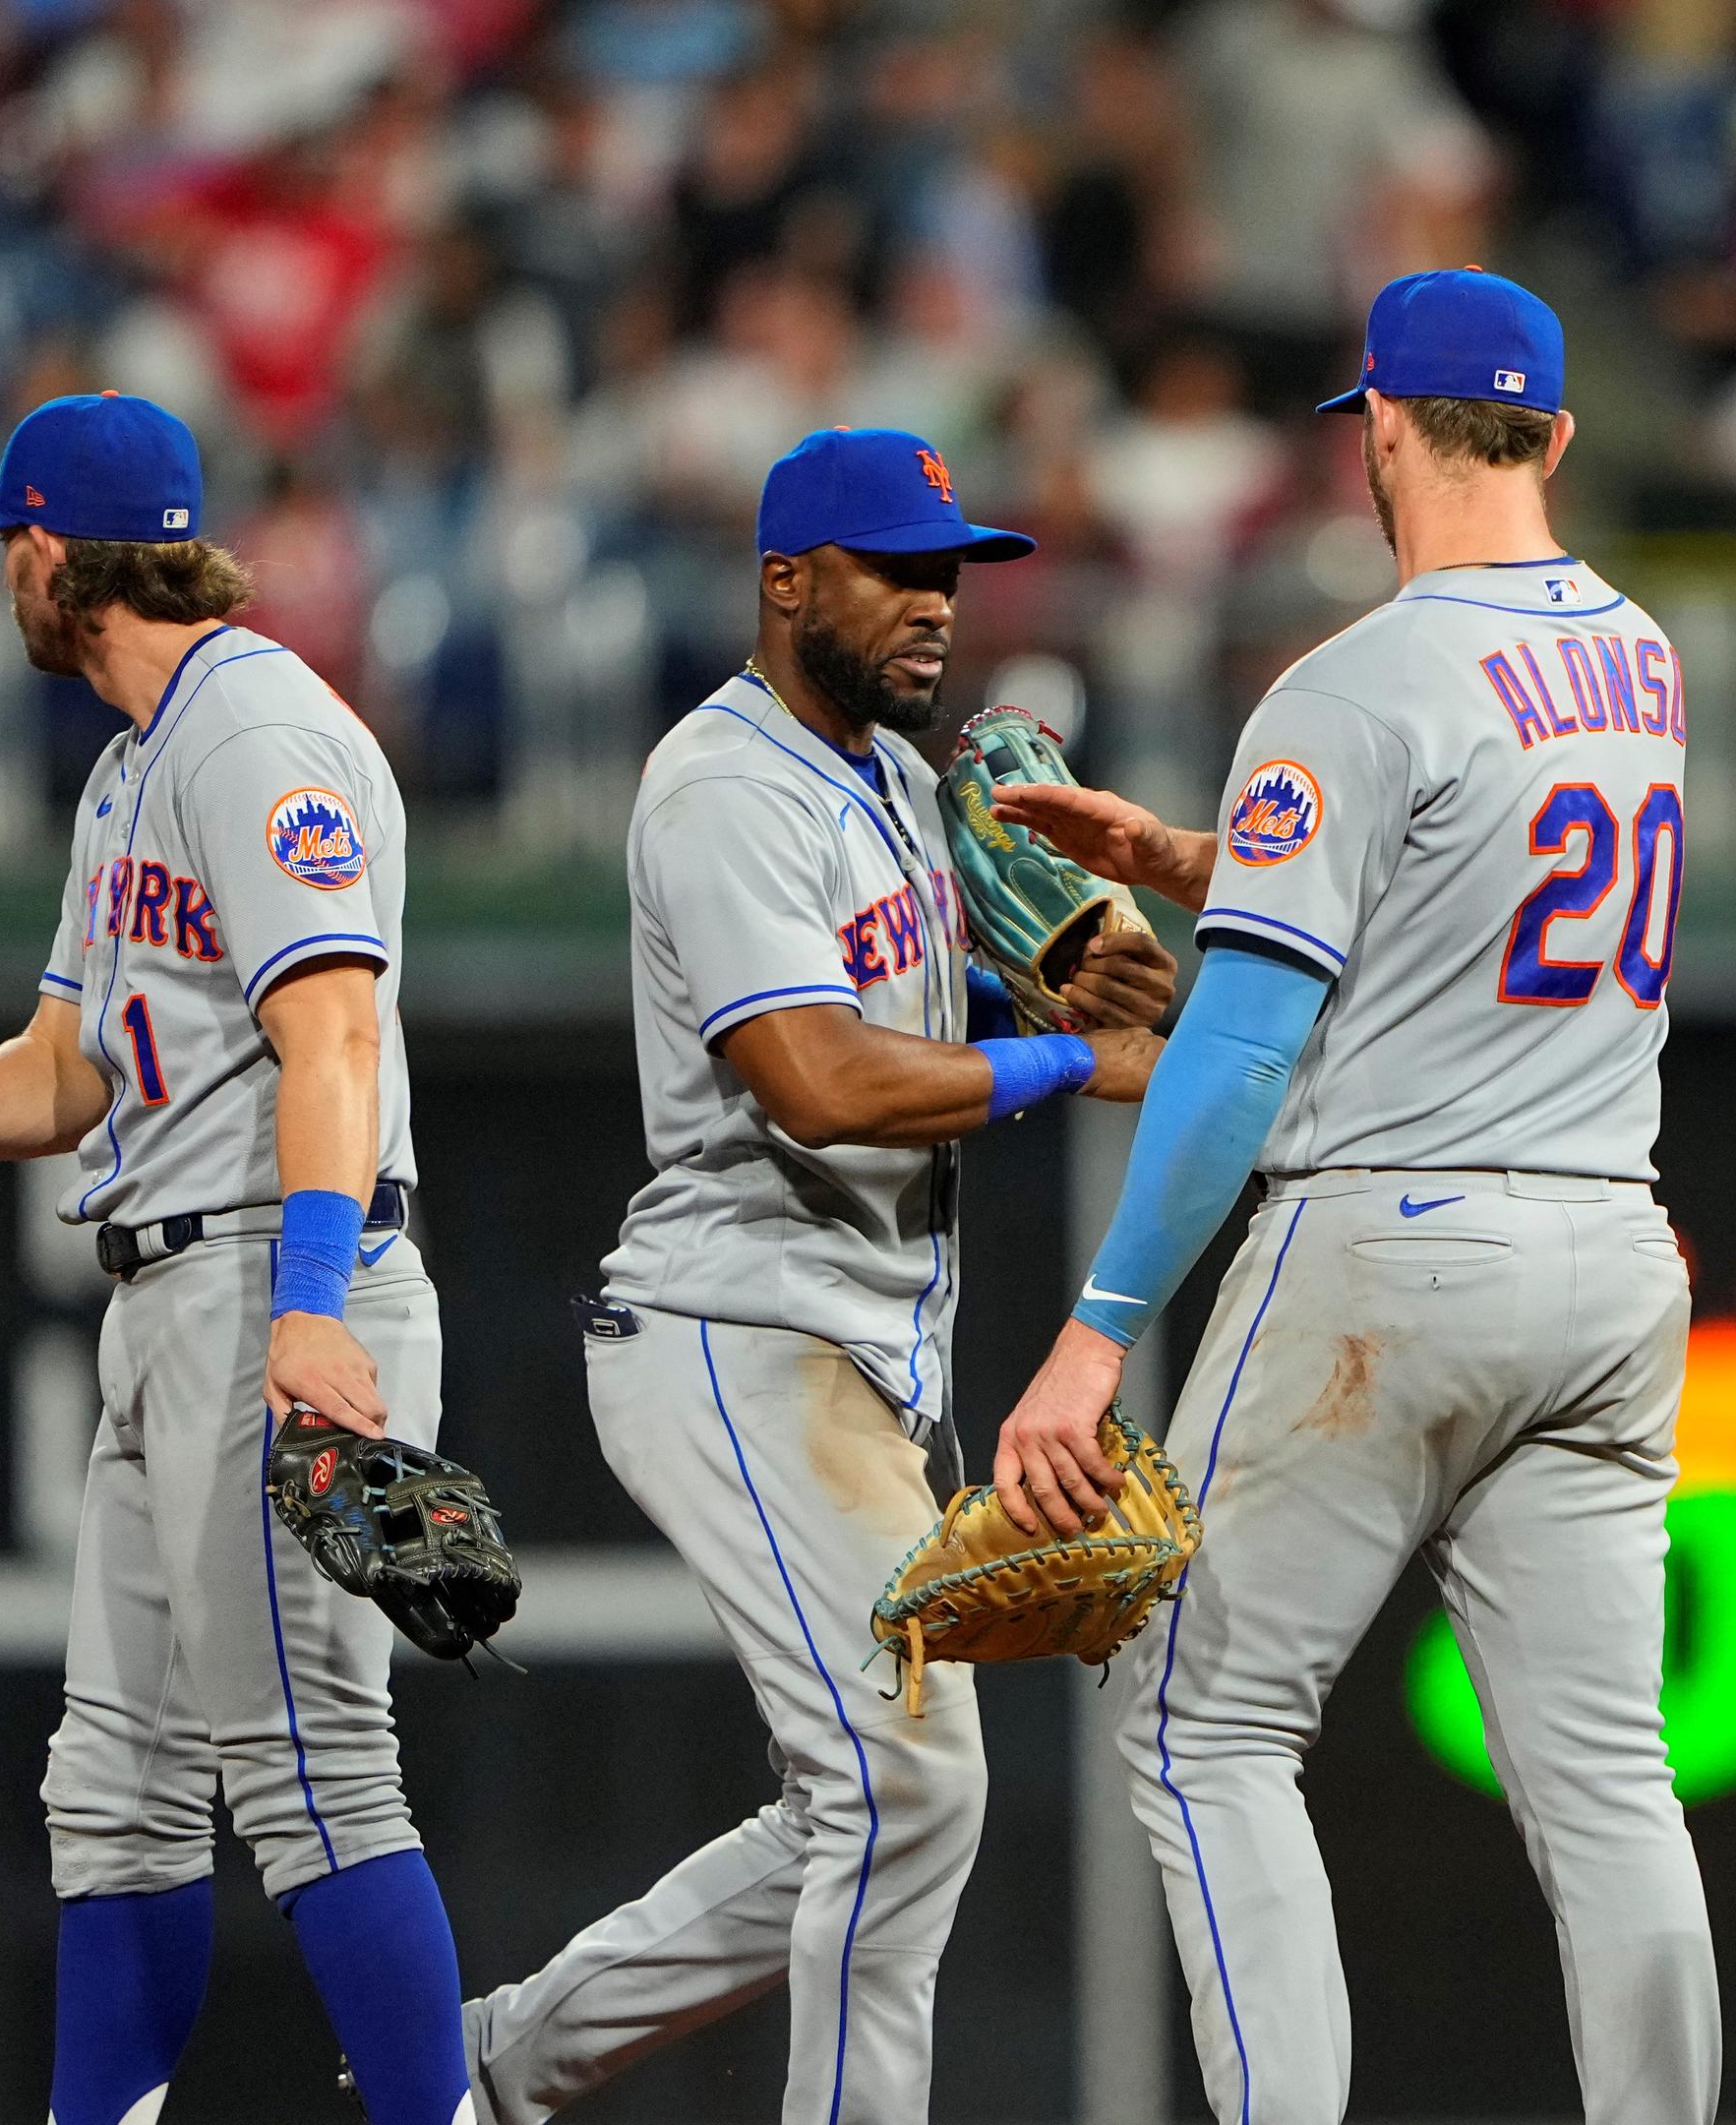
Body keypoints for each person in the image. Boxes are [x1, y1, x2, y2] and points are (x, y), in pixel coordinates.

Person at [988, 270, 1718, 2125]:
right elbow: (1466, 853)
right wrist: (1188, 858)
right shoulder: (1646, 656)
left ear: (1381, 429)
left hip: (1388, 1248)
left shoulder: (1348, 678)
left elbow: (1235, 1056)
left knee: (1195, 1724)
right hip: (1611, 1253)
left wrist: (1090, 1341)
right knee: (1610, 1777)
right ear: (1552, 433)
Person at [0, 392, 479, 2125]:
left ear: (50, 553)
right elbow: (71, 1070)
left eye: (1, 546)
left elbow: (336, 1041)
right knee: (120, 1794)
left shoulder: (253, 736)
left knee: (315, 1773)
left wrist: (309, 1313)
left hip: (278, 1278)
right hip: (174, 1287)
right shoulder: (132, 764)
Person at [463, 426, 1174, 2125]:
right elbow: (821, 1082)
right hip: (734, 1331)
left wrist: (1080, 975)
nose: (937, 604)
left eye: (951, 572)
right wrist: (1071, 1070)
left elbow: (937, 1032)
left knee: (855, 1800)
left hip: (849, 1347)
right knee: (911, 1786)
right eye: (896, 570)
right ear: (787, 581)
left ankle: (492, 2066)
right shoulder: (722, 786)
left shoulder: (890, 781)